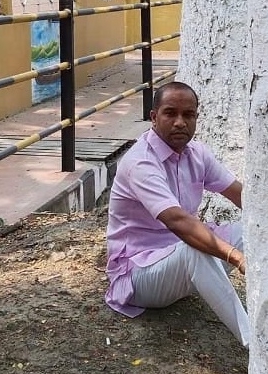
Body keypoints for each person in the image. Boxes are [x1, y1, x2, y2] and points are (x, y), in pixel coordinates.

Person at [105, 81, 249, 348]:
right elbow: (178, 221)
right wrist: (236, 256)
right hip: (139, 277)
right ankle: (255, 341)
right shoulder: (141, 162)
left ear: (196, 117)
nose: (180, 122)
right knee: (195, 247)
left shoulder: (198, 153)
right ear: (154, 117)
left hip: (176, 266)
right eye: (170, 113)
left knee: (253, 233)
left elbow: (239, 194)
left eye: (188, 115)